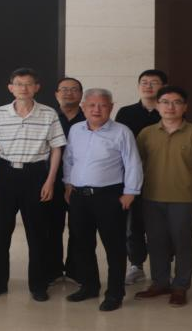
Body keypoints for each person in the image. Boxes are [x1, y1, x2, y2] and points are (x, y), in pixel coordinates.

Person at [0, 67, 66, 302]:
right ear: (11, 88)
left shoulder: (48, 113)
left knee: (37, 234)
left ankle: (38, 285)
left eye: (28, 84)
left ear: (37, 87)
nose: (23, 88)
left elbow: (56, 149)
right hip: (5, 174)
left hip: (36, 174)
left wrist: (50, 180)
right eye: (19, 84)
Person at [62, 89, 143, 312]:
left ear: (111, 107)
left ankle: (115, 293)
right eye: (92, 105)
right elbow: (69, 158)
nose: (97, 109)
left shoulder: (121, 132)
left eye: (103, 105)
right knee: (82, 244)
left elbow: (133, 163)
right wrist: (68, 183)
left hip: (109, 196)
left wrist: (131, 192)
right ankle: (89, 286)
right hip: (79, 196)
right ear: (83, 107)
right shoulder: (76, 130)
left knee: (114, 247)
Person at [134, 86, 192, 307]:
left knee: (182, 242)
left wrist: (186, 180)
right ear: (157, 105)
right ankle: (160, 283)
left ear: (185, 107)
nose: (170, 107)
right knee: (156, 241)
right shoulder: (146, 133)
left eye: (176, 102)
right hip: (151, 196)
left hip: (182, 198)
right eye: (165, 102)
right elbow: (137, 162)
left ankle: (180, 286)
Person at [114, 69, 167, 285]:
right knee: (134, 224)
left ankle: (163, 266)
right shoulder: (126, 113)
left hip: (163, 175)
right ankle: (136, 265)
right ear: (138, 87)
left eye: (154, 82)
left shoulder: (169, 111)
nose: (148, 86)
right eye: (144, 82)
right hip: (132, 177)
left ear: (163, 87)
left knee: (162, 224)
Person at [51, 77, 85, 283]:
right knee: (51, 228)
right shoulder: (48, 117)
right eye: (64, 89)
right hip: (51, 181)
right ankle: (53, 271)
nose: (68, 93)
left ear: (81, 94)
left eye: (74, 89)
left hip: (81, 182)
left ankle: (76, 271)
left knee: (79, 228)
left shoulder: (89, 118)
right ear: (56, 94)